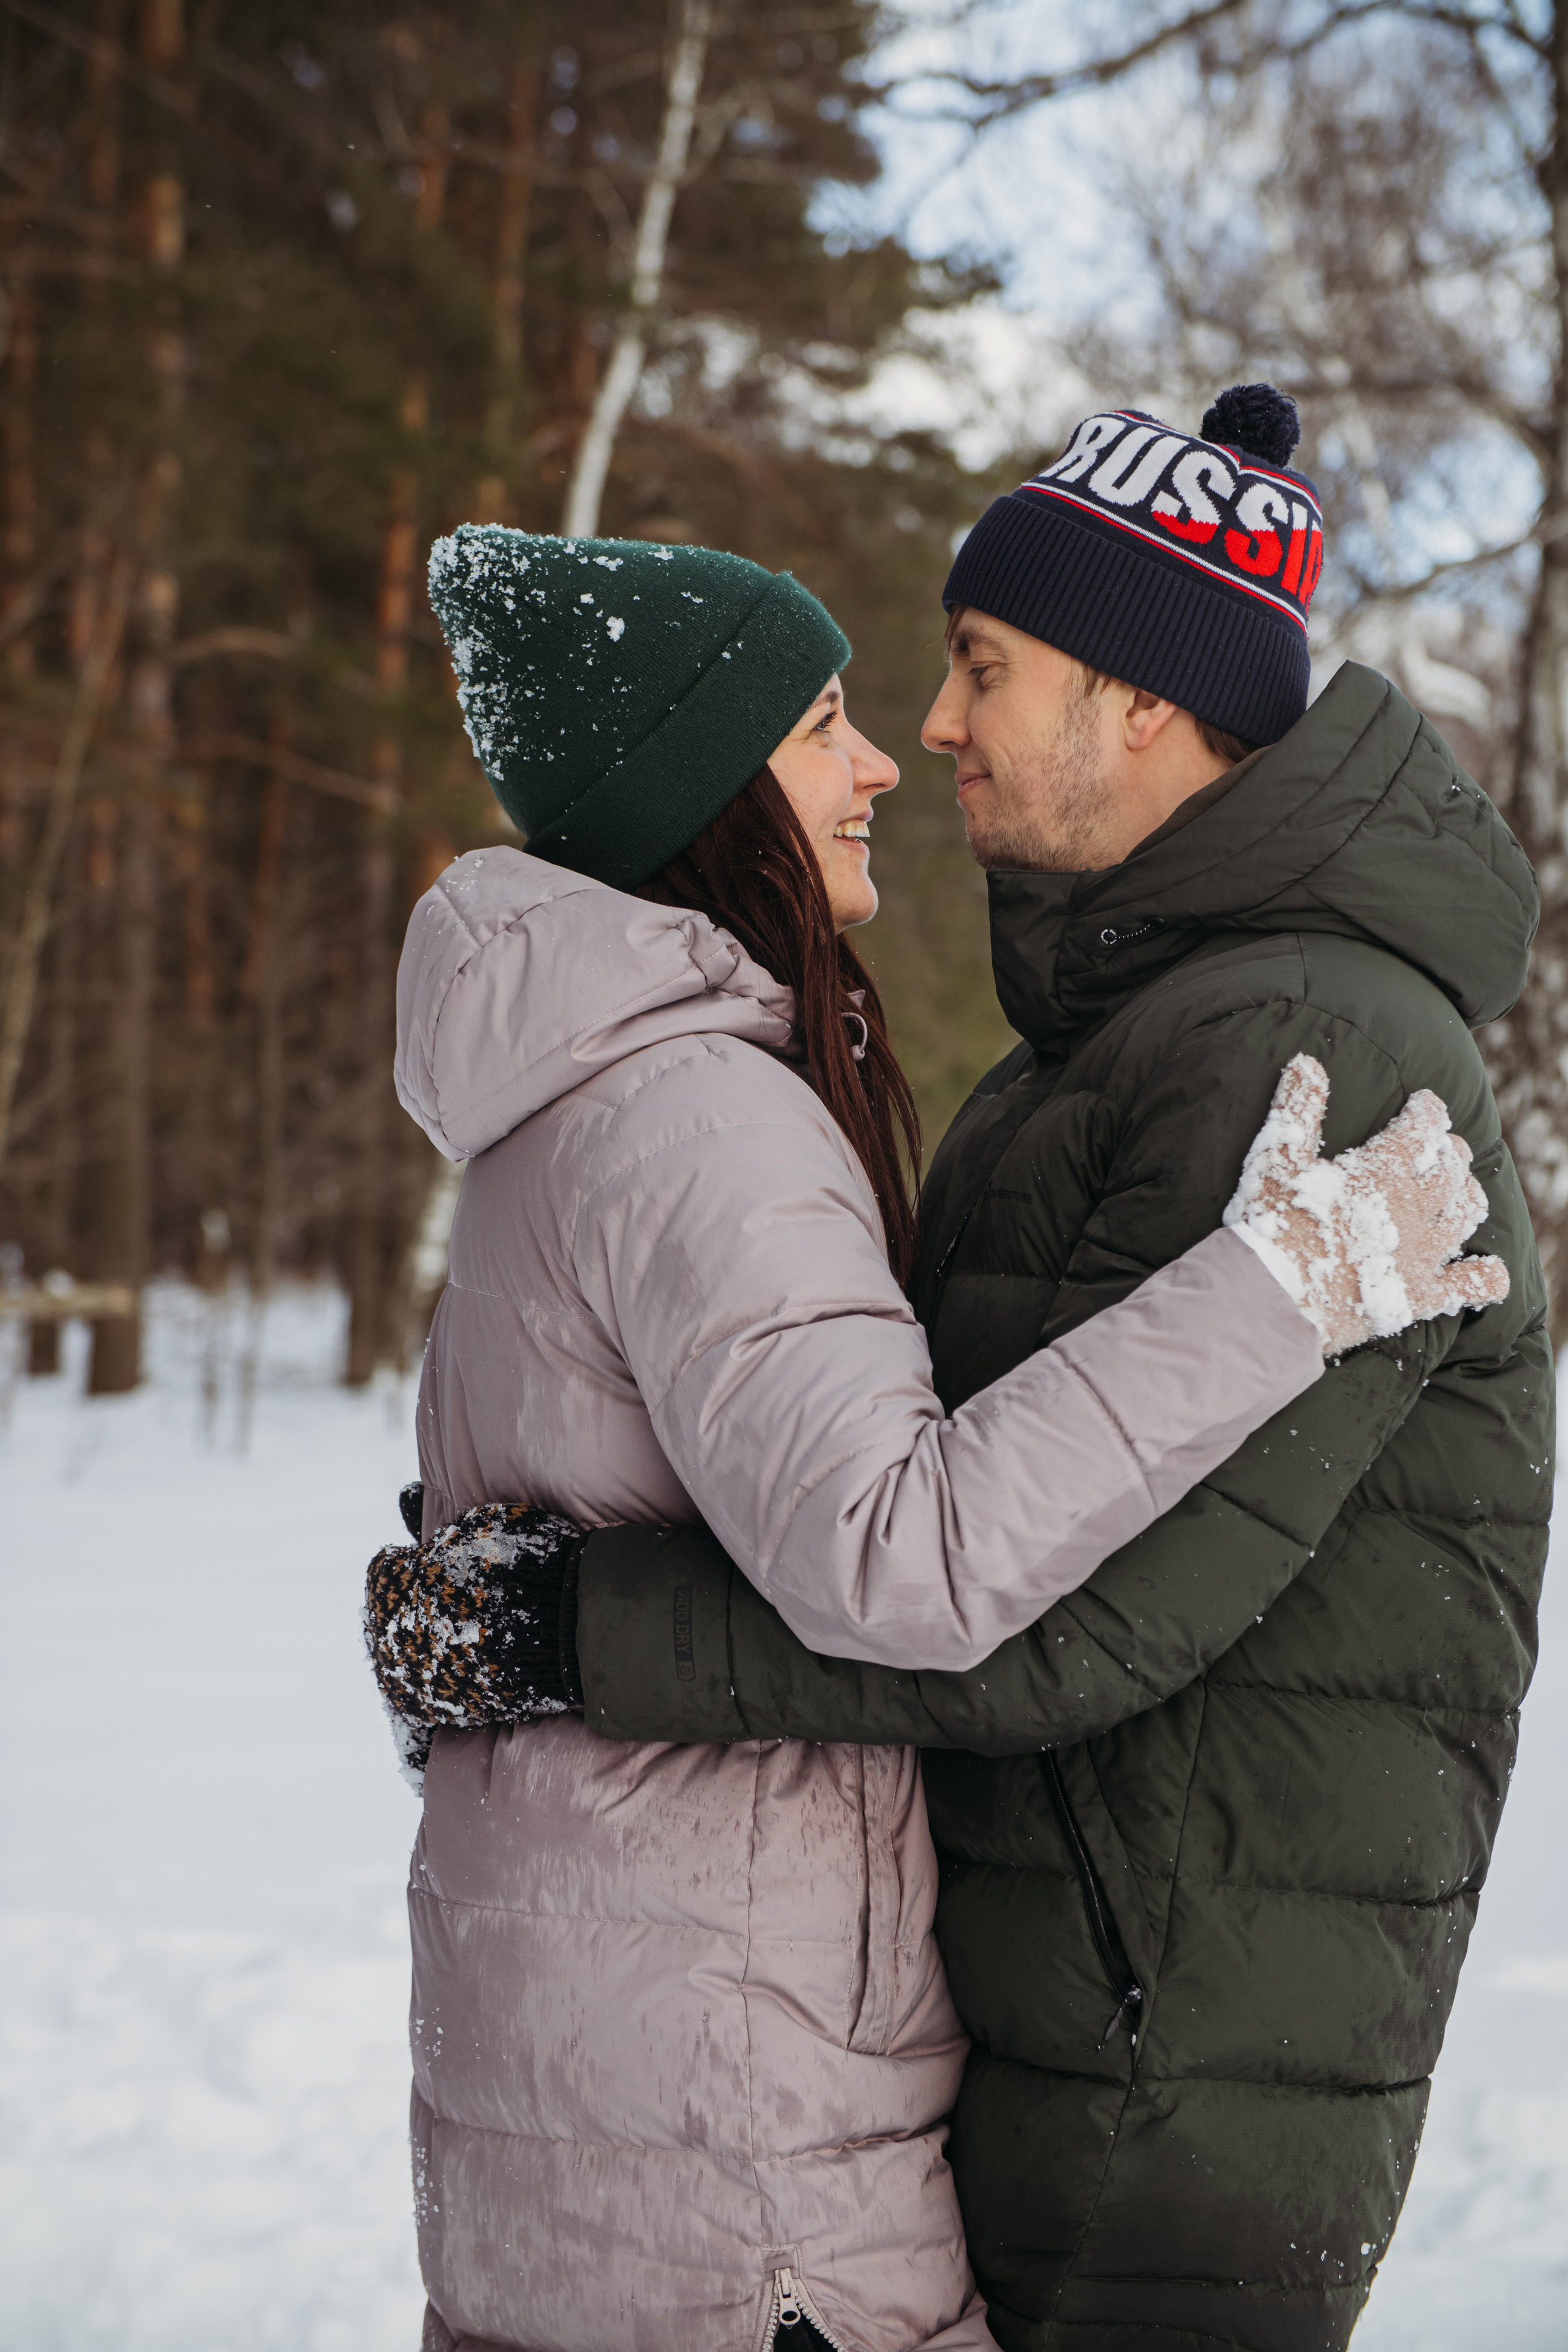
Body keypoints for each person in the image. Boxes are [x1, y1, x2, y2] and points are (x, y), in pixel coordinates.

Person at [467, 388, 1555, 2352]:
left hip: (1167, 2075)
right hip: (1061, 2010)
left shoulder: (1313, 1054)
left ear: (1141, 701)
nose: (937, 723)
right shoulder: (1115, 1043)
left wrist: (563, 1631)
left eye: (983, 666)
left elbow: (1047, 1608)